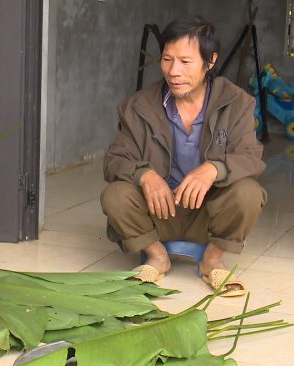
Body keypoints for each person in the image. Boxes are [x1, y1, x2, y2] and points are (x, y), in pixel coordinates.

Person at [100, 15, 266, 296]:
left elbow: (251, 157)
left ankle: (211, 260)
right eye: (167, 59)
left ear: (210, 61)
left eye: (186, 62)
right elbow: (115, 159)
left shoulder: (236, 103)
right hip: (159, 211)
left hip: (210, 213)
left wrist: (214, 169)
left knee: (249, 193)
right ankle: (156, 257)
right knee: (115, 194)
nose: (174, 71)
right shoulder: (138, 106)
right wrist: (146, 176)